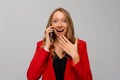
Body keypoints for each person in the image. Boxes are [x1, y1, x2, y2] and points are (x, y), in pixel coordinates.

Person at [27, 7, 92, 80]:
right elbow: (31, 77)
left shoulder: (80, 45)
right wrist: (47, 47)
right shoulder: (42, 45)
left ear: (68, 24)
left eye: (64, 21)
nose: (59, 25)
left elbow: (87, 78)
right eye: (55, 21)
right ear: (50, 25)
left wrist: (75, 56)